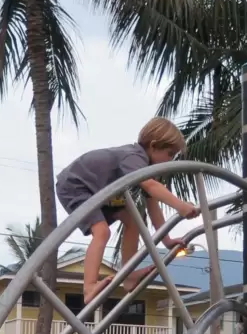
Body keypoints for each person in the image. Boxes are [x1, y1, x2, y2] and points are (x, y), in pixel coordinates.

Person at [56, 118, 197, 304]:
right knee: (101, 231)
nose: (170, 161)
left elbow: (153, 206)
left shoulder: (145, 168)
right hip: (76, 185)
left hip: (99, 191)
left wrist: (167, 240)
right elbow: (151, 186)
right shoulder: (134, 157)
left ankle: (128, 274)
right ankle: (89, 287)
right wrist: (180, 206)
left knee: (133, 220)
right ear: (153, 146)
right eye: (169, 154)